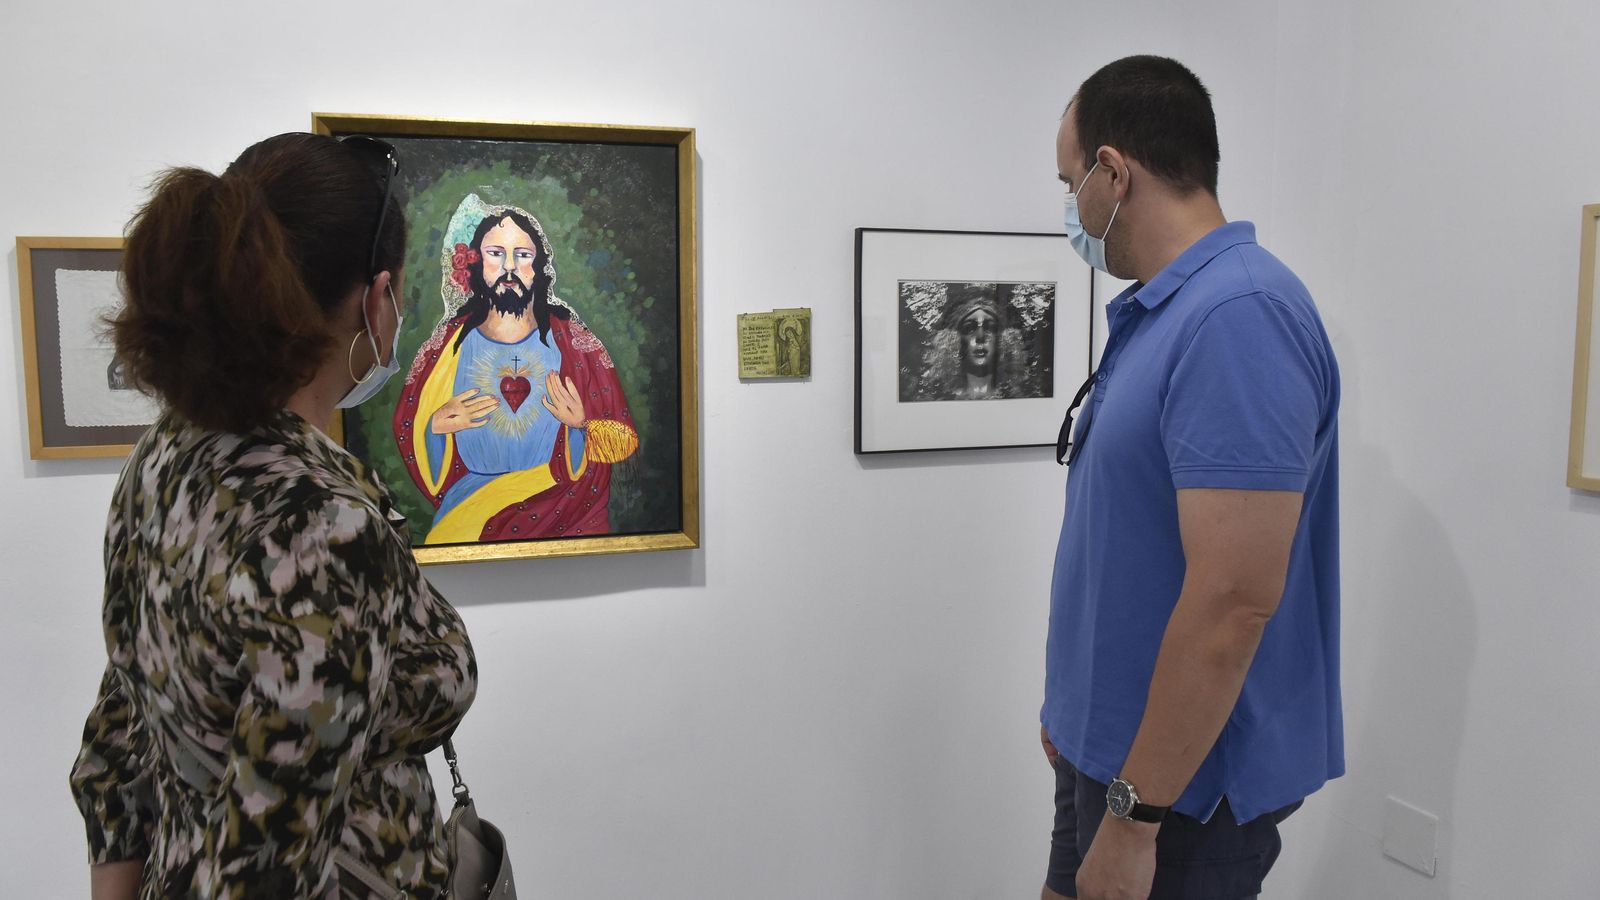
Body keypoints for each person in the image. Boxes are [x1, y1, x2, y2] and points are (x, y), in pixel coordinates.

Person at [68, 133, 477, 900]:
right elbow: (269, 864)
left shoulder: (167, 454)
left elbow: (119, 734)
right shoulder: (322, 524)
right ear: (377, 300)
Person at [1041, 56, 1342, 900]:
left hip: (1180, 794)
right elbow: (1127, 542)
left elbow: (1232, 599)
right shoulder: (1166, 310)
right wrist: (1070, 715)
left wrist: (1135, 819)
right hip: (1113, 756)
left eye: (1071, 183)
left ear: (1113, 172)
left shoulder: (1238, 317)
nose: (1071, 208)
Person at [393, 196, 638, 545]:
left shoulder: (573, 341)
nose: (509, 268)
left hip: (562, 508)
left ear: (538, 268)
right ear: (475, 263)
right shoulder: (448, 345)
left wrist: (581, 425)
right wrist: (434, 427)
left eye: (522, 256)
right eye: (496, 253)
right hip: (470, 506)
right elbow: (408, 424)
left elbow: (622, 440)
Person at [915, 284, 1028, 401]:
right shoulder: (936, 401)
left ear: (1003, 340)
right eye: (969, 328)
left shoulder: (1019, 399)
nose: (980, 336)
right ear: (953, 341)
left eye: (991, 328)